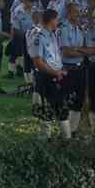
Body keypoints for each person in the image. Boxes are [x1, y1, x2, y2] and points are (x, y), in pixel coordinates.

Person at [32, 8, 73, 138]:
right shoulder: (39, 37)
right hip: (46, 78)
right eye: (57, 19)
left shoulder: (53, 35)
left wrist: (61, 70)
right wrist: (55, 72)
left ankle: (67, 139)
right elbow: (38, 62)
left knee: (62, 109)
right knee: (46, 111)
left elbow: (55, 57)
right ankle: (45, 141)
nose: (58, 22)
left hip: (57, 76)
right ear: (51, 20)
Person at [58, 2, 93, 136]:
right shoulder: (64, 28)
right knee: (66, 100)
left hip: (80, 68)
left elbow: (92, 50)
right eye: (75, 12)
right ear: (68, 13)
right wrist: (84, 52)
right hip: (68, 68)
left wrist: (77, 50)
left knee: (79, 100)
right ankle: (64, 133)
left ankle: (73, 131)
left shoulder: (80, 28)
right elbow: (67, 52)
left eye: (79, 12)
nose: (78, 14)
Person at [11, 0, 36, 83]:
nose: (32, 4)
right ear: (25, 1)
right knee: (27, 59)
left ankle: (34, 80)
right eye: (30, 2)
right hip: (24, 38)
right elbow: (16, 28)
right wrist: (27, 37)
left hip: (36, 37)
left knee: (35, 58)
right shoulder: (18, 11)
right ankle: (28, 82)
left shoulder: (34, 9)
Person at [24, 9, 45, 108]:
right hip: (39, 58)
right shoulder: (37, 31)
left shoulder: (29, 30)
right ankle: (37, 104)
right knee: (39, 82)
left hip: (33, 57)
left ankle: (37, 103)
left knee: (37, 81)